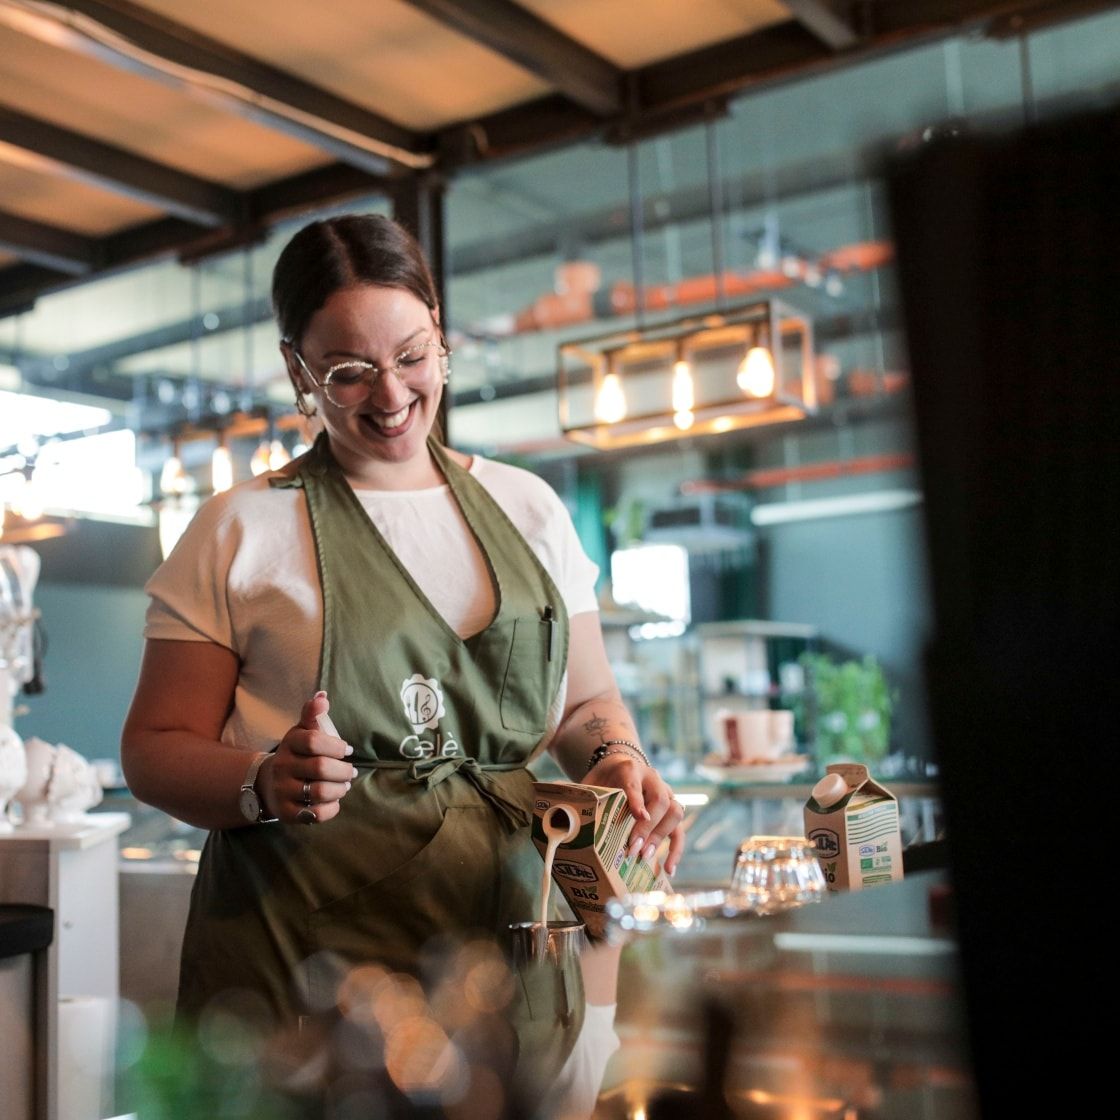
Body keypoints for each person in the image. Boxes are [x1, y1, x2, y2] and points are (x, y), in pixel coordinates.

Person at [121, 213, 685, 1110]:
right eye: (348, 370)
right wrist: (263, 781)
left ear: (440, 333)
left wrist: (618, 759)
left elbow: (584, 707)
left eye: (412, 355)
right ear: (297, 369)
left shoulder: (530, 508)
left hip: (509, 953)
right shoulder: (241, 528)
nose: (390, 394)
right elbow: (154, 747)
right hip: (307, 979)